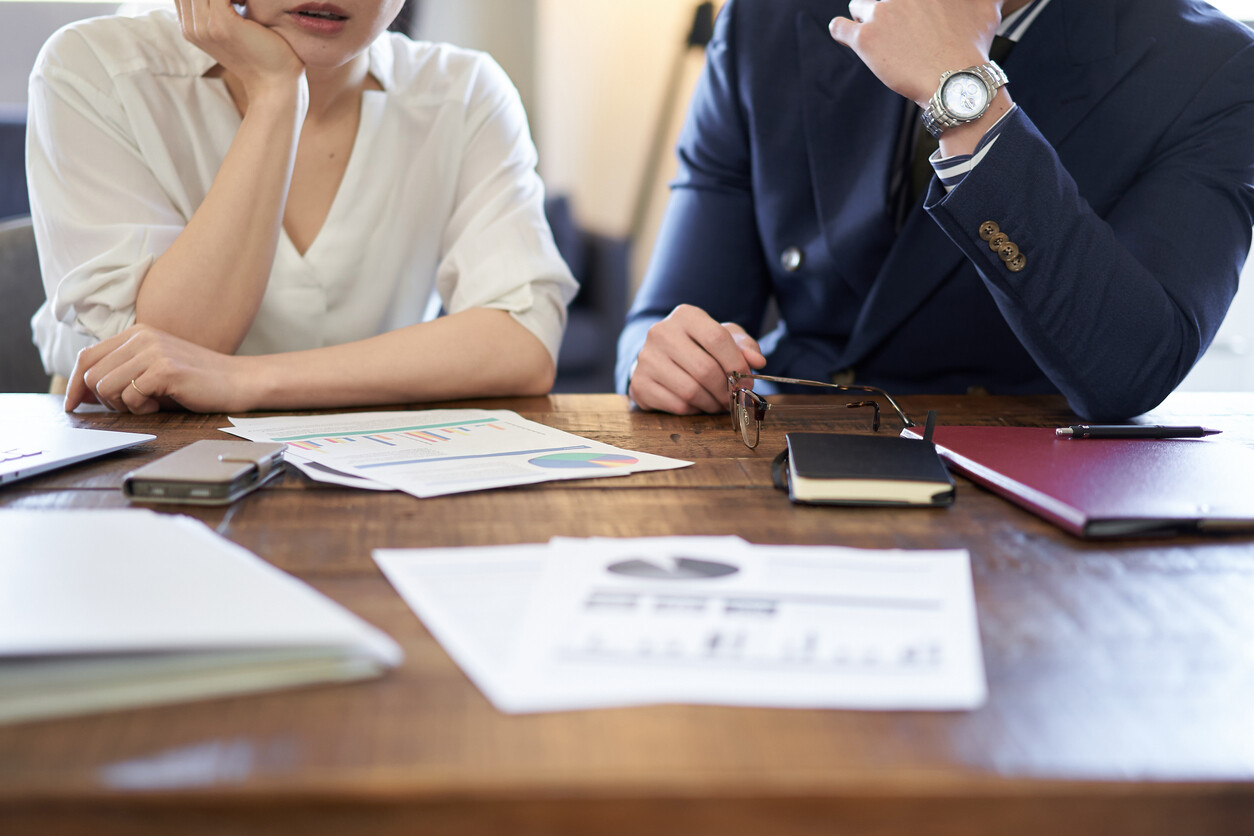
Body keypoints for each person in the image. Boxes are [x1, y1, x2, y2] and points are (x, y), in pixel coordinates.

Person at [617, 0, 1254, 422]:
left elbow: (1133, 370)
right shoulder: (768, 19)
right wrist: (663, 362)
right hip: (784, 454)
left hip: (1024, 499)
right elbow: (665, 316)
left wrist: (964, 91)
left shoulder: (1214, 66)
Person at [28, 0, 577, 414]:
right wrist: (276, 93)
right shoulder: (94, 69)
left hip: (369, 464)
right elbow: (161, 360)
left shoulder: (465, 91)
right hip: (126, 458)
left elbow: (521, 341)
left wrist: (245, 380)